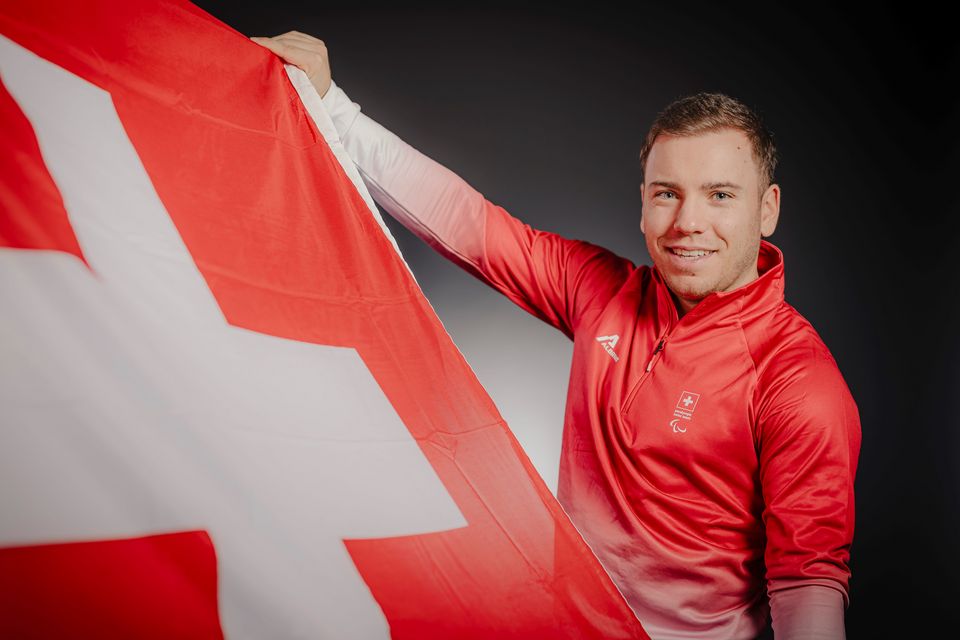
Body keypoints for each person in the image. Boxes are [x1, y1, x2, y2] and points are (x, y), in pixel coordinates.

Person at [250, 30, 862, 640]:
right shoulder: (603, 290)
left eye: (720, 196)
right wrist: (334, 108)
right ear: (643, 203)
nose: (687, 223)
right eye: (666, 194)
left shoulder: (798, 380)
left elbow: (807, 580)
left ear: (767, 208)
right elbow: (472, 227)